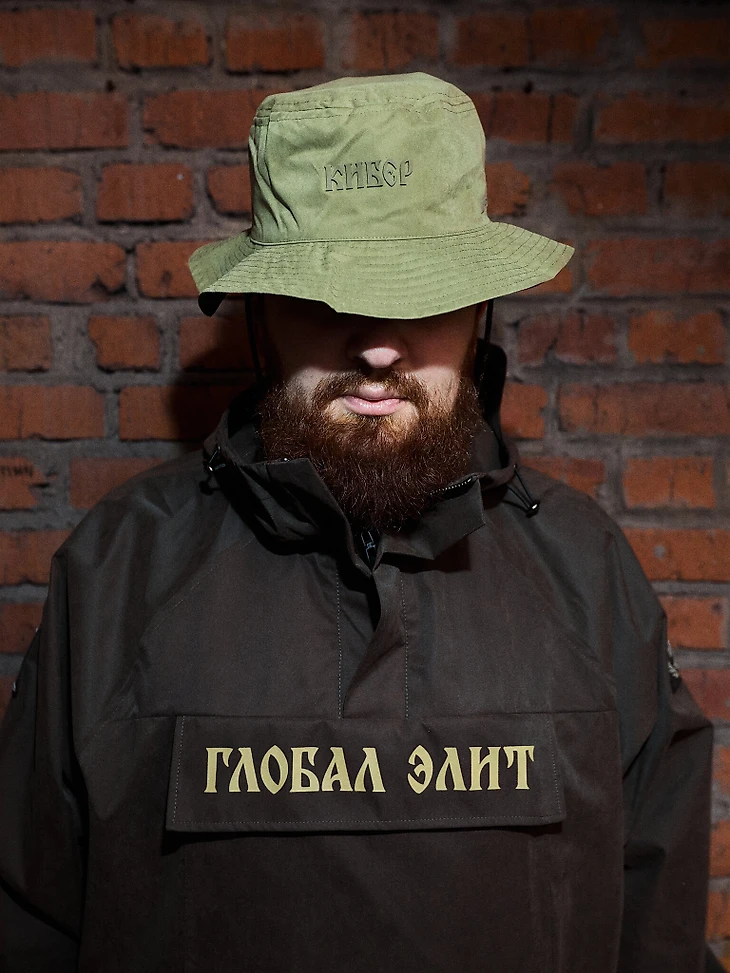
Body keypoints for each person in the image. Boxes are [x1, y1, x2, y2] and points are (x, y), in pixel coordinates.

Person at [0, 72, 716, 973]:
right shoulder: (119, 571)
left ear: (481, 311)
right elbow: (28, 922)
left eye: (421, 294)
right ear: (261, 315)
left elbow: (658, 935)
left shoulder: (588, 573)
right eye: (328, 297)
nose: (378, 345)